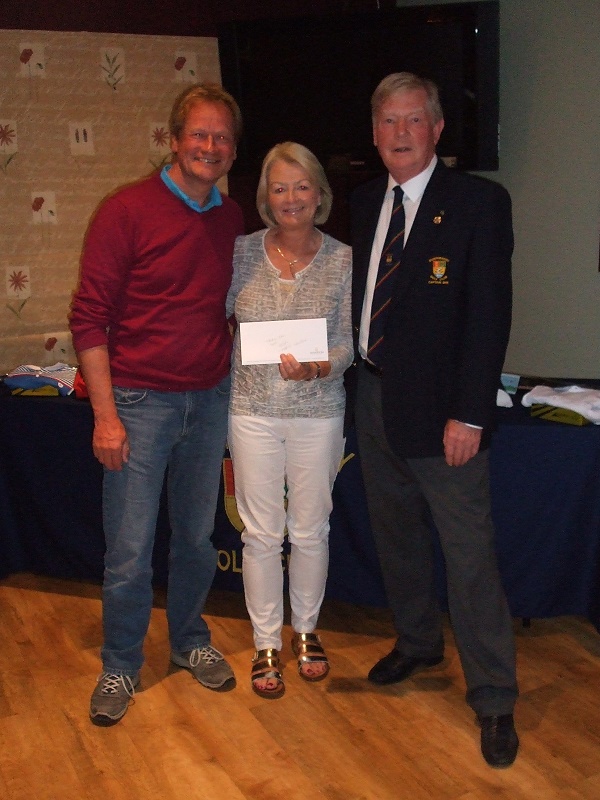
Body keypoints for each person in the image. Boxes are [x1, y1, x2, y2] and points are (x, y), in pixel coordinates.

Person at [349, 72, 519, 767]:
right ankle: (418, 644)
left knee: (469, 555)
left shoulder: (479, 203)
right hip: (373, 396)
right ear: (375, 130)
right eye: (387, 120)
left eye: (413, 120)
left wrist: (471, 415)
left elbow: (488, 318)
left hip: (446, 413)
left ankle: (494, 696)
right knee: (398, 540)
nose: (399, 133)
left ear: (438, 129)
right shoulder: (363, 203)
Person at [70, 82, 244, 726]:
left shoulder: (230, 218)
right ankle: (120, 662)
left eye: (222, 137)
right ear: (173, 140)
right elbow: (88, 320)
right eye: (198, 134)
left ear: (232, 150)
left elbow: (230, 310)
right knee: (130, 548)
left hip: (209, 400)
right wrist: (107, 416)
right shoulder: (125, 210)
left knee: (197, 540)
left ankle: (190, 642)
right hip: (139, 405)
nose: (209, 146)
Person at [226, 142, 353, 699]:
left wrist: (319, 367)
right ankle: (265, 644)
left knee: (310, 532)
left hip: (318, 411)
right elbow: (218, 318)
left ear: (320, 193)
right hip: (251, 411)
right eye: (279, 188)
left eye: (302, 186)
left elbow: (351, 342)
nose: (291, 198)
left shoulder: (345, 258)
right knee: (259, 535)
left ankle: (305, 632)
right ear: (265, 197)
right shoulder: (239, 253)